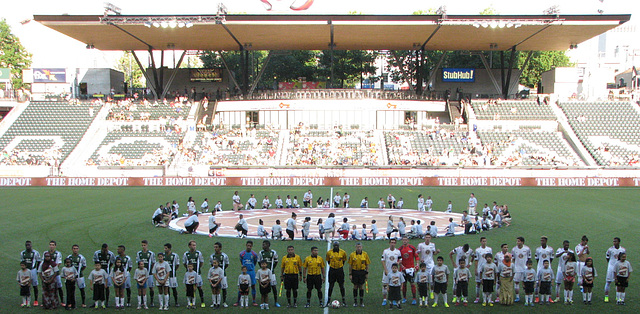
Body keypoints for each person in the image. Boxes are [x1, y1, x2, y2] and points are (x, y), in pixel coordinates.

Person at [182, 240, 206, 308]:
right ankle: (191, 303)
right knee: (189, 288)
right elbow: (184, 263)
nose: (194, 246)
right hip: (189, 274)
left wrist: (196, 270)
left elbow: (201, 262)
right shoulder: (186, 254)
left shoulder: (198, 253)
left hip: (197, 274)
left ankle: (202, 301)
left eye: (195, 245)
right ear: (189, 246)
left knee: (199, 287)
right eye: (192, 245)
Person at [257, 240, 280, 308]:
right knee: (263, 287)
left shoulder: (273, 252)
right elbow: (259, 261)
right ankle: (264, 302)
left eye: (264, 245)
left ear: (268, 245)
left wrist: (271, 269)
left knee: (273, 287)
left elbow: (276, 261)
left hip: (271, 273)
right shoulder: (261, 253)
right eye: (263, 245)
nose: (263, 246)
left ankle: (276, 301)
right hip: (263, 274)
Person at [417, 234, 440, 299]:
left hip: (431, 264)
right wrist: (419, 259)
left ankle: (431, 292)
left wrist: (437, 252)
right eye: (426, 237)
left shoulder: (432, 245)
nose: (427, 239)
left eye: (429, 237)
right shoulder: (421, 245)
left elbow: (434, 253)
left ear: (430, 238)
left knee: (431, 279)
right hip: (424, 264)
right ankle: (424, 293)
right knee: (423, 279)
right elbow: (416, 253)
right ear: (424, 238)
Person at [348, 242, 370, 307]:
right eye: (357, 247)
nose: (359, 248)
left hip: (362, 272)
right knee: (355, 286)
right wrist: (350, 274)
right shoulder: (352, 255)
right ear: (355, 247)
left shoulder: (365, 254)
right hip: (355, 272)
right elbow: (350, 265)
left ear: (362, 247)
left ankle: (361, 301)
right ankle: (355, 301)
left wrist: (367, 273)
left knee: (361, 286)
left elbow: (367, 264)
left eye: (360, 247)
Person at [93, 243, 115, 308]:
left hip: (107, 273)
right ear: (102, 249)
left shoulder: (111, 254)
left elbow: (112, 263)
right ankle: (96, 302)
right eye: (104, 250)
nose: (105, 251)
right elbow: (96, 262)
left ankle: (106, 302)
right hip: (98, 273)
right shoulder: (97, 253)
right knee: (97, 287)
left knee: (106, 287)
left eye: (106, 250)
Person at [381, 238, 402, 306]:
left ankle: (394, 299)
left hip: (394, 272)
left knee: (394, 285)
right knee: (385, 285)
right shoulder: (385, 251)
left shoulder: (398, 251)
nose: (392, 244)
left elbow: (400, 260)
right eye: (391, 242)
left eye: (394, 242)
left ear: (395, 244)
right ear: (389, 243)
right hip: (387, 271)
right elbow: (383, 260)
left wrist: (396, 265)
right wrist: (386, 269)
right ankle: (384, 299)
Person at [326, 241, 348, 306]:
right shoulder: (329, 252)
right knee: (331, 285)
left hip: (340, 270)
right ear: (333, 246)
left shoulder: (343, 252)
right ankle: (328, 300)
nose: (336, 247)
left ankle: (344, 300)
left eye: (337, 245)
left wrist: (339, 266)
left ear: (338, 246)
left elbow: (343, 261)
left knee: (341, 285)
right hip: (332, 270)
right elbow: (328, 261)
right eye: (335, 245)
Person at [20, 240, 41, 307]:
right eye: (26, 245)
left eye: (29, 245)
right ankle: (26, 300)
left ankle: (36, 300)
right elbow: (22, 262)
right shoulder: (23, 253)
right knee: (25, 285)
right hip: (26, 271)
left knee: (34, 285)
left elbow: (39, 262)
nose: (28, 246)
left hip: (33, 270)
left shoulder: (35, 253)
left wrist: (37, 270)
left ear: (31, 245)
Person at [238, 240, 259, 306]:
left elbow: (255, 262)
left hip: (251, 272)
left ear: (252, 246)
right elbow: (241, 261)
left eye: (250, 246)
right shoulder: (242, 253)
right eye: (248, 246)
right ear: (246, 245)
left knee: (253, 286)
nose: (249, 247)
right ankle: (238, 301)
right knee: (241, 286)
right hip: (244, 272)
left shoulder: (254, 254)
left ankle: (254, 301)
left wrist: (251, 267)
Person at [605, 237, 625, 303]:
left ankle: (617, 297)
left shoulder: (622, 250)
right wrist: (611, 264)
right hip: (611, 267)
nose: (614, 242)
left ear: (619, 242)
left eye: (615, 241)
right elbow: (607, 257)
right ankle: (606, 296)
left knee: (618, 283)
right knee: (608, 282)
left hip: (619, 268)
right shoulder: (610, 249)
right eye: (613, 241)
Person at [398, 236, 418, 305]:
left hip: (411, 269)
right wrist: (401, 266)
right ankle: (404, 298)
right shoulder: (400, 249)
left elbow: (416, 256)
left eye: (406, 240)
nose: (404, 241)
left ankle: (414, 298)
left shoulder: (412, 248)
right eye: (403, 240)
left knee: (412, 284)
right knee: (404, 284)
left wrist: (417, 265)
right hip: (403, 269)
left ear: (408, 240)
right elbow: (398, 259)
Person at [136, 240, 156, 307]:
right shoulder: (139, 253)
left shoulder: (151, 253)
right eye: (142, 245)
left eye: (144, 245)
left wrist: (151, 271)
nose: (143, 246)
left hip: (149, 273)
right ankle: (142, 301)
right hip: (141, 274)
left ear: (147, 245)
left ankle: (152, 301)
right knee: (141, 288)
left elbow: (153, 263)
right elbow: (138, 263)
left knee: (151, 287)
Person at [473, 237, 492, 304]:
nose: (484, 242)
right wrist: (476, 269)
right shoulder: (477, 250)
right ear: (480, 242)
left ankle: (488, 298)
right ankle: (477, 297)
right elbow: (476, 260)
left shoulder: (489, 249)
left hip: (487, 269)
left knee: (487, 283)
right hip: (479, 268)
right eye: (483, 241)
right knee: (478, 283)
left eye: (485, 241)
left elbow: (490, 259)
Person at [534, 236, 554, 303]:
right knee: (537, 282)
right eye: (541, 240)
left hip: (548, 268)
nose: (542, 242)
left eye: (543, 240)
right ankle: (537, 297)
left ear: (546, 241)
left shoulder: (550, 249)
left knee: (549, 282)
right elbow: (537, 259)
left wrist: (547, 265)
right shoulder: (538, 249)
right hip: (540, 267)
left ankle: (549, 297)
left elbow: (551, 259)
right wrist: (541, 265)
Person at [47, 241, 65, 306]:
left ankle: (62, 301)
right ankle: (48, 301)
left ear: (55, 246)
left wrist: (52, 269)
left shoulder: (58, 253)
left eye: (53, 245)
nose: (51, 246)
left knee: (59, 286)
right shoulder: (46, 253)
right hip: (48, 273)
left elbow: (58, 263)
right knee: (48, 287)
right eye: (50, 245)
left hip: (55, 273)